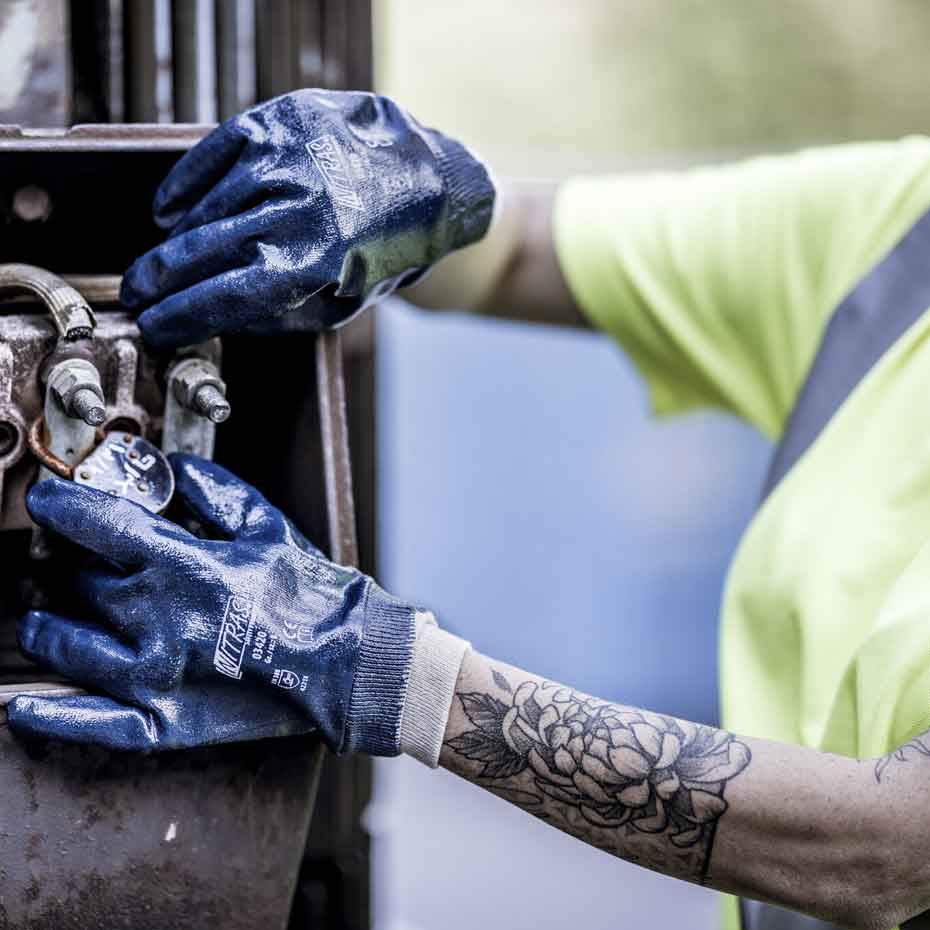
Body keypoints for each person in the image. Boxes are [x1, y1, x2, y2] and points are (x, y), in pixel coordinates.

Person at [6, 89, 930, 930]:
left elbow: (888, 847)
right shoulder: (901, 230)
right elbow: (520, 247)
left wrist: (381, 673)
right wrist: (422, 197)